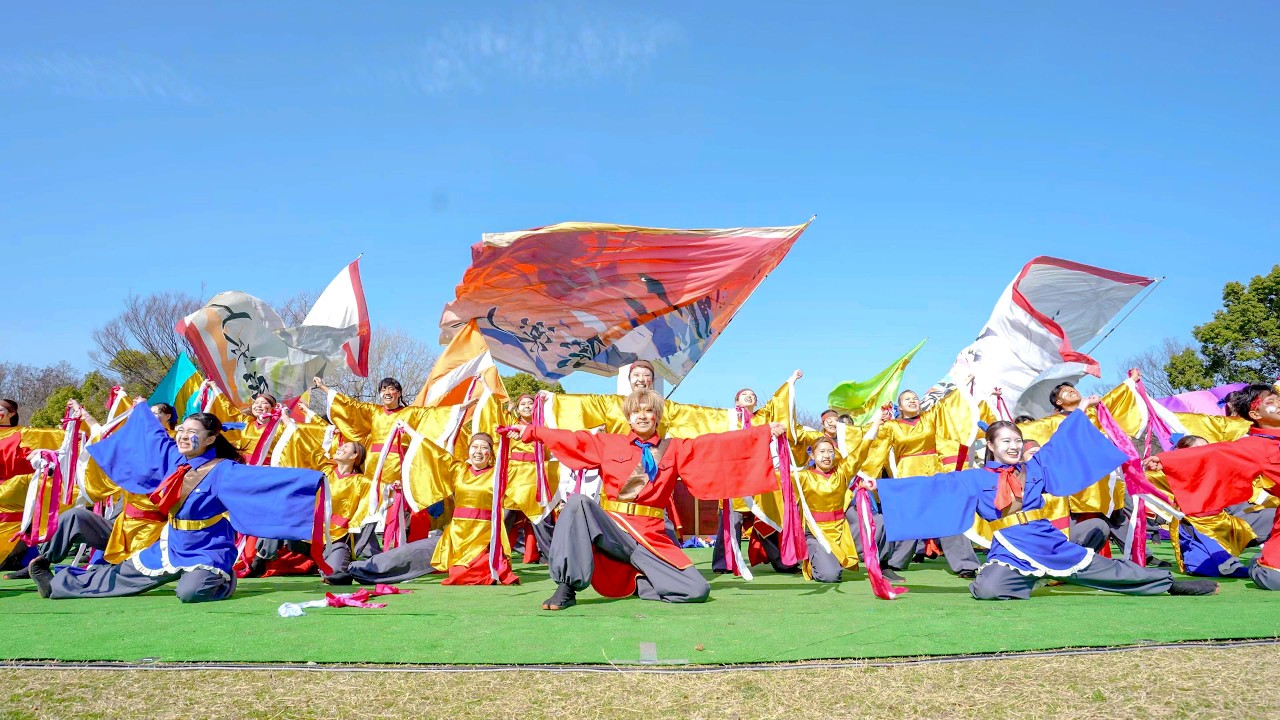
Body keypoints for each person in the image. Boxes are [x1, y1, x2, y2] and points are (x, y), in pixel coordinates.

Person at [875, 409, 1219, 600]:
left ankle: (1165, 583)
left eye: (1017, 440)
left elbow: (1065, 442)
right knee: (987, 590)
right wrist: (877, 486)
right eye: (1005, 441)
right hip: (1009, 546)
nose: (1013, 446)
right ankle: (1035, 578)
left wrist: (1087, 413)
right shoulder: (973, 479)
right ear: (991, 446)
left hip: (1044, 538)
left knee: (1103, 570)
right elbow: (932, 486)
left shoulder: (1035, 468)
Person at [507, 389, 788, 610]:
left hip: (650, 536)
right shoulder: (608, 443)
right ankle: (566, 587)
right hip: (613, 528)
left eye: (648, 411)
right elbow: (572, 439)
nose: (642, 416)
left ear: (657, 417)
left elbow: (717, 446)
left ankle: (639, 581)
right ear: (628, 418)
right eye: (636, 412)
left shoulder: (675, 448)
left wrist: (763, 433)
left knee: (697, 590)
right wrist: (531, 431)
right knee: (578, 502)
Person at [28, 409, 327, 602]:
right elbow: (153, 437)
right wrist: (141, 412)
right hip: (170, 542)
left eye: (192, 433)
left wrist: (312, 480)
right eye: (181, 429)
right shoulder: (174, 457)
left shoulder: (224, 470)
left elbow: (266, 481)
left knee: (189, 593)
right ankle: (57, 584)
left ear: (211, 439)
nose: (183, 435)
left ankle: (223, 579)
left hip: (207, 547)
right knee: (121, 576)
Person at [345, 431, 527, 586]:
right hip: (454, 539)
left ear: (491, 453)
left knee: (463, 573)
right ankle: (361, 569)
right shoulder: (460, 470)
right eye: (474, 447)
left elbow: (526, 473)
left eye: (484, 447)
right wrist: (411, 432)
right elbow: (435, 454)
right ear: (468, 450)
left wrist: (520, 435)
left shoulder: (499, 474)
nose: (478, 451)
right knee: (409, 553)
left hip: (482, 542)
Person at [1146, 384, 1280, 590]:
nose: (1278, 404)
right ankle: (1259, 565)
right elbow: (1214, 453)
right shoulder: (1255, 447)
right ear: (1255, 414)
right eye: (1270, 402)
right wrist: (1166, 460)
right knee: (1274, 578)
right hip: (1211, 521)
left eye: (1278, 399)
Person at [862, 387, 981, 578]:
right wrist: (877, 421)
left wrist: (962, 384)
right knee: (909, 518)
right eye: (907, 399)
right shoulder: (891, 426)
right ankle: (893, 562)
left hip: (934, 472)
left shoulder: (930, 417)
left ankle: (966, 564)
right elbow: (874, 446)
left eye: (915, 398)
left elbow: (947, 405)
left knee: (948, 515)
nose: (912, 401)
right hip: (908, 474)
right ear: (900, 406)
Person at [792, 409, 885, 582]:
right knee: (831, 576)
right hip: (816, 533)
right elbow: (777, 476)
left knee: (879, 521)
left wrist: (876, 423)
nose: (827, 456)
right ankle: (814, 558)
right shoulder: (802, 477)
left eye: (830, 452)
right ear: (812, 455)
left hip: (842, 532)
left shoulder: (842, 472)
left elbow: (862, 449)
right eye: (821, 452)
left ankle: (883, 565)